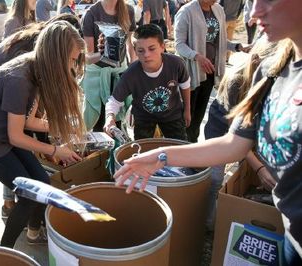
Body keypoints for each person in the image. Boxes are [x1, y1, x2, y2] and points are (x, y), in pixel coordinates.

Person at [115, 0, 302, 264]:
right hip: (293, 236)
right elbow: (232, 145)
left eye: (269, 0)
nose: (254, 13)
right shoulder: (272, 72)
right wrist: (160, 156)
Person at [0, 21, 85, 248]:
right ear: (56, 56)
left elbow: (27, 120)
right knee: (29, 195)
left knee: (43, 183)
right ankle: (5, 251)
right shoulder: (20, 79)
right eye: (71, 59)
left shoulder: (38, 70)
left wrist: (57, 126)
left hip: (3, 134)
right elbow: (16, 136)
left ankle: (32, 232)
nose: (72, 66)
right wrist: (56, 150)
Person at [203, 37, 279, 229]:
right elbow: (234, 137)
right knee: (216, 178)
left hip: (250, 131)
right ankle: (210, 223)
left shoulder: (275, 83)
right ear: (258, 61)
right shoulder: (236, 81)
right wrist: (259, 169)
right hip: (221, 132)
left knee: (245, 171)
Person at [174, 0, 247, 143]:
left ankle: (193, 147)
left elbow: (221, 41)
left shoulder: (218, 10)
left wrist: (237, 47)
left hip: (210, 71)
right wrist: (197, 56)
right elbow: (179, 44)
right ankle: (182, 147)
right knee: (187, 115)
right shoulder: (186, 12)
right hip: (191, 73)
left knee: (199, 114)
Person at [104, 24, 190, 141]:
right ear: (135, 51)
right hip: (143, 117)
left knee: (180, 146)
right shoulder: (130, 74)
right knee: (142, 150)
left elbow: (185, 84)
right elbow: (114, 101)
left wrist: (187, 109)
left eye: (152, 48)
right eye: (141, 50)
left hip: (172, 114)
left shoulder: (176, 64)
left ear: (162, 46)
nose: (146, 55)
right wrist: (110, 118)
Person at [81, 0, 138, 131]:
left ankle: (115, 151)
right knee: (98, 124)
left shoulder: (128, 11)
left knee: (117, 123)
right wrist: (103, 54)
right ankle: (101, 152)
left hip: (119, 74)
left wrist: (133, 68)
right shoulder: (91, 14)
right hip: (97, 78)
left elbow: (130, 45)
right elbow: (88, 57)